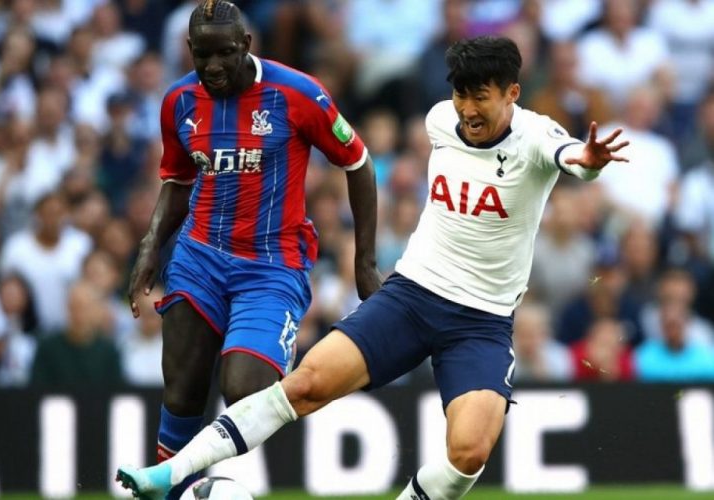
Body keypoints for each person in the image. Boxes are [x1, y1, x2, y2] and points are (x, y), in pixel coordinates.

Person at [117, 35, 628, 500]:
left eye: (482, 97)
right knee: (304, 385)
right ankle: (169, 474)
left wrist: (588, 160)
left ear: (512, 93)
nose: (468, 110)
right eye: (461, 95)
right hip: (412, 294)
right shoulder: (439, 121)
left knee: (469, 452)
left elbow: (570, 156)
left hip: (481, 321)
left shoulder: (535, 136)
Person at [125, 0, 380, 497]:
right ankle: (179, 492)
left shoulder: (297, 93)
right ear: (189, 49)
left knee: (245, 390)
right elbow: (178, 179)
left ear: (246, 44)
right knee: (183, 392)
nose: (213, 66)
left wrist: (364, 263)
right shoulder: (178, 101)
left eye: (224, 52)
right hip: (199, 257)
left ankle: (209, 483)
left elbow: (359, 163)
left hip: (271, 266)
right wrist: (152, 244)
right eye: (202, 55)